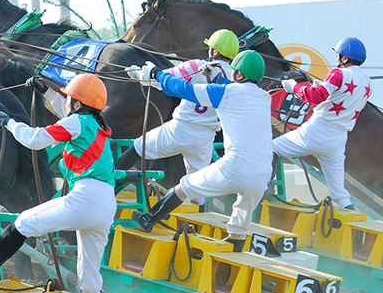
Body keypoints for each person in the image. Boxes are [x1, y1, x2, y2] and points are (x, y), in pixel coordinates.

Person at [0, 74, 116, 293]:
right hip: (106, 205)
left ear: (78, 104)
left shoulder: (76, 122)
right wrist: (45, 91)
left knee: (23, 223)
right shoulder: (96, 124)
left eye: (69, 97)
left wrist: (9, 124)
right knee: (90, 276)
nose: (66, 101)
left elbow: (35, 139)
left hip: (84, 199)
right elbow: (65, 112)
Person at [129, 50, 272, 250]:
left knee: (185, 186)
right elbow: (239, 94)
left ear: (239, 75)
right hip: (263, 172)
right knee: (241, 218)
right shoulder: (265, 98)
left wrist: (156, 74)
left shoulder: (226, 93)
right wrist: (219, 79)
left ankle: (149, 219)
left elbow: (183, 89)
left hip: (235, 167)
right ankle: (237, 241)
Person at [116, 29, 239, 208]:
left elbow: (167, 80)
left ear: (215, 52)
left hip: (180, 129)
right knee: (197, 191)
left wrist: (140, 74)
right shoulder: (235, 79)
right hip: (205, 139)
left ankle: (108, 188)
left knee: (137, 148)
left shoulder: (197, 66)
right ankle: (197, 222)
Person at [273, 37, 371, 210]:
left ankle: (263, 189)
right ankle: (352, 224)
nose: (336, 58)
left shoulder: (338, 73)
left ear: (344, 58)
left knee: (271, 148)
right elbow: (340, 96)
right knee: (340, 195)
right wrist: (321, 86)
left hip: (316, 130)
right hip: (338, 139)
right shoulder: (366, 81)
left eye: (338, 55)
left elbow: (315, 97)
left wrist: (293, 87)